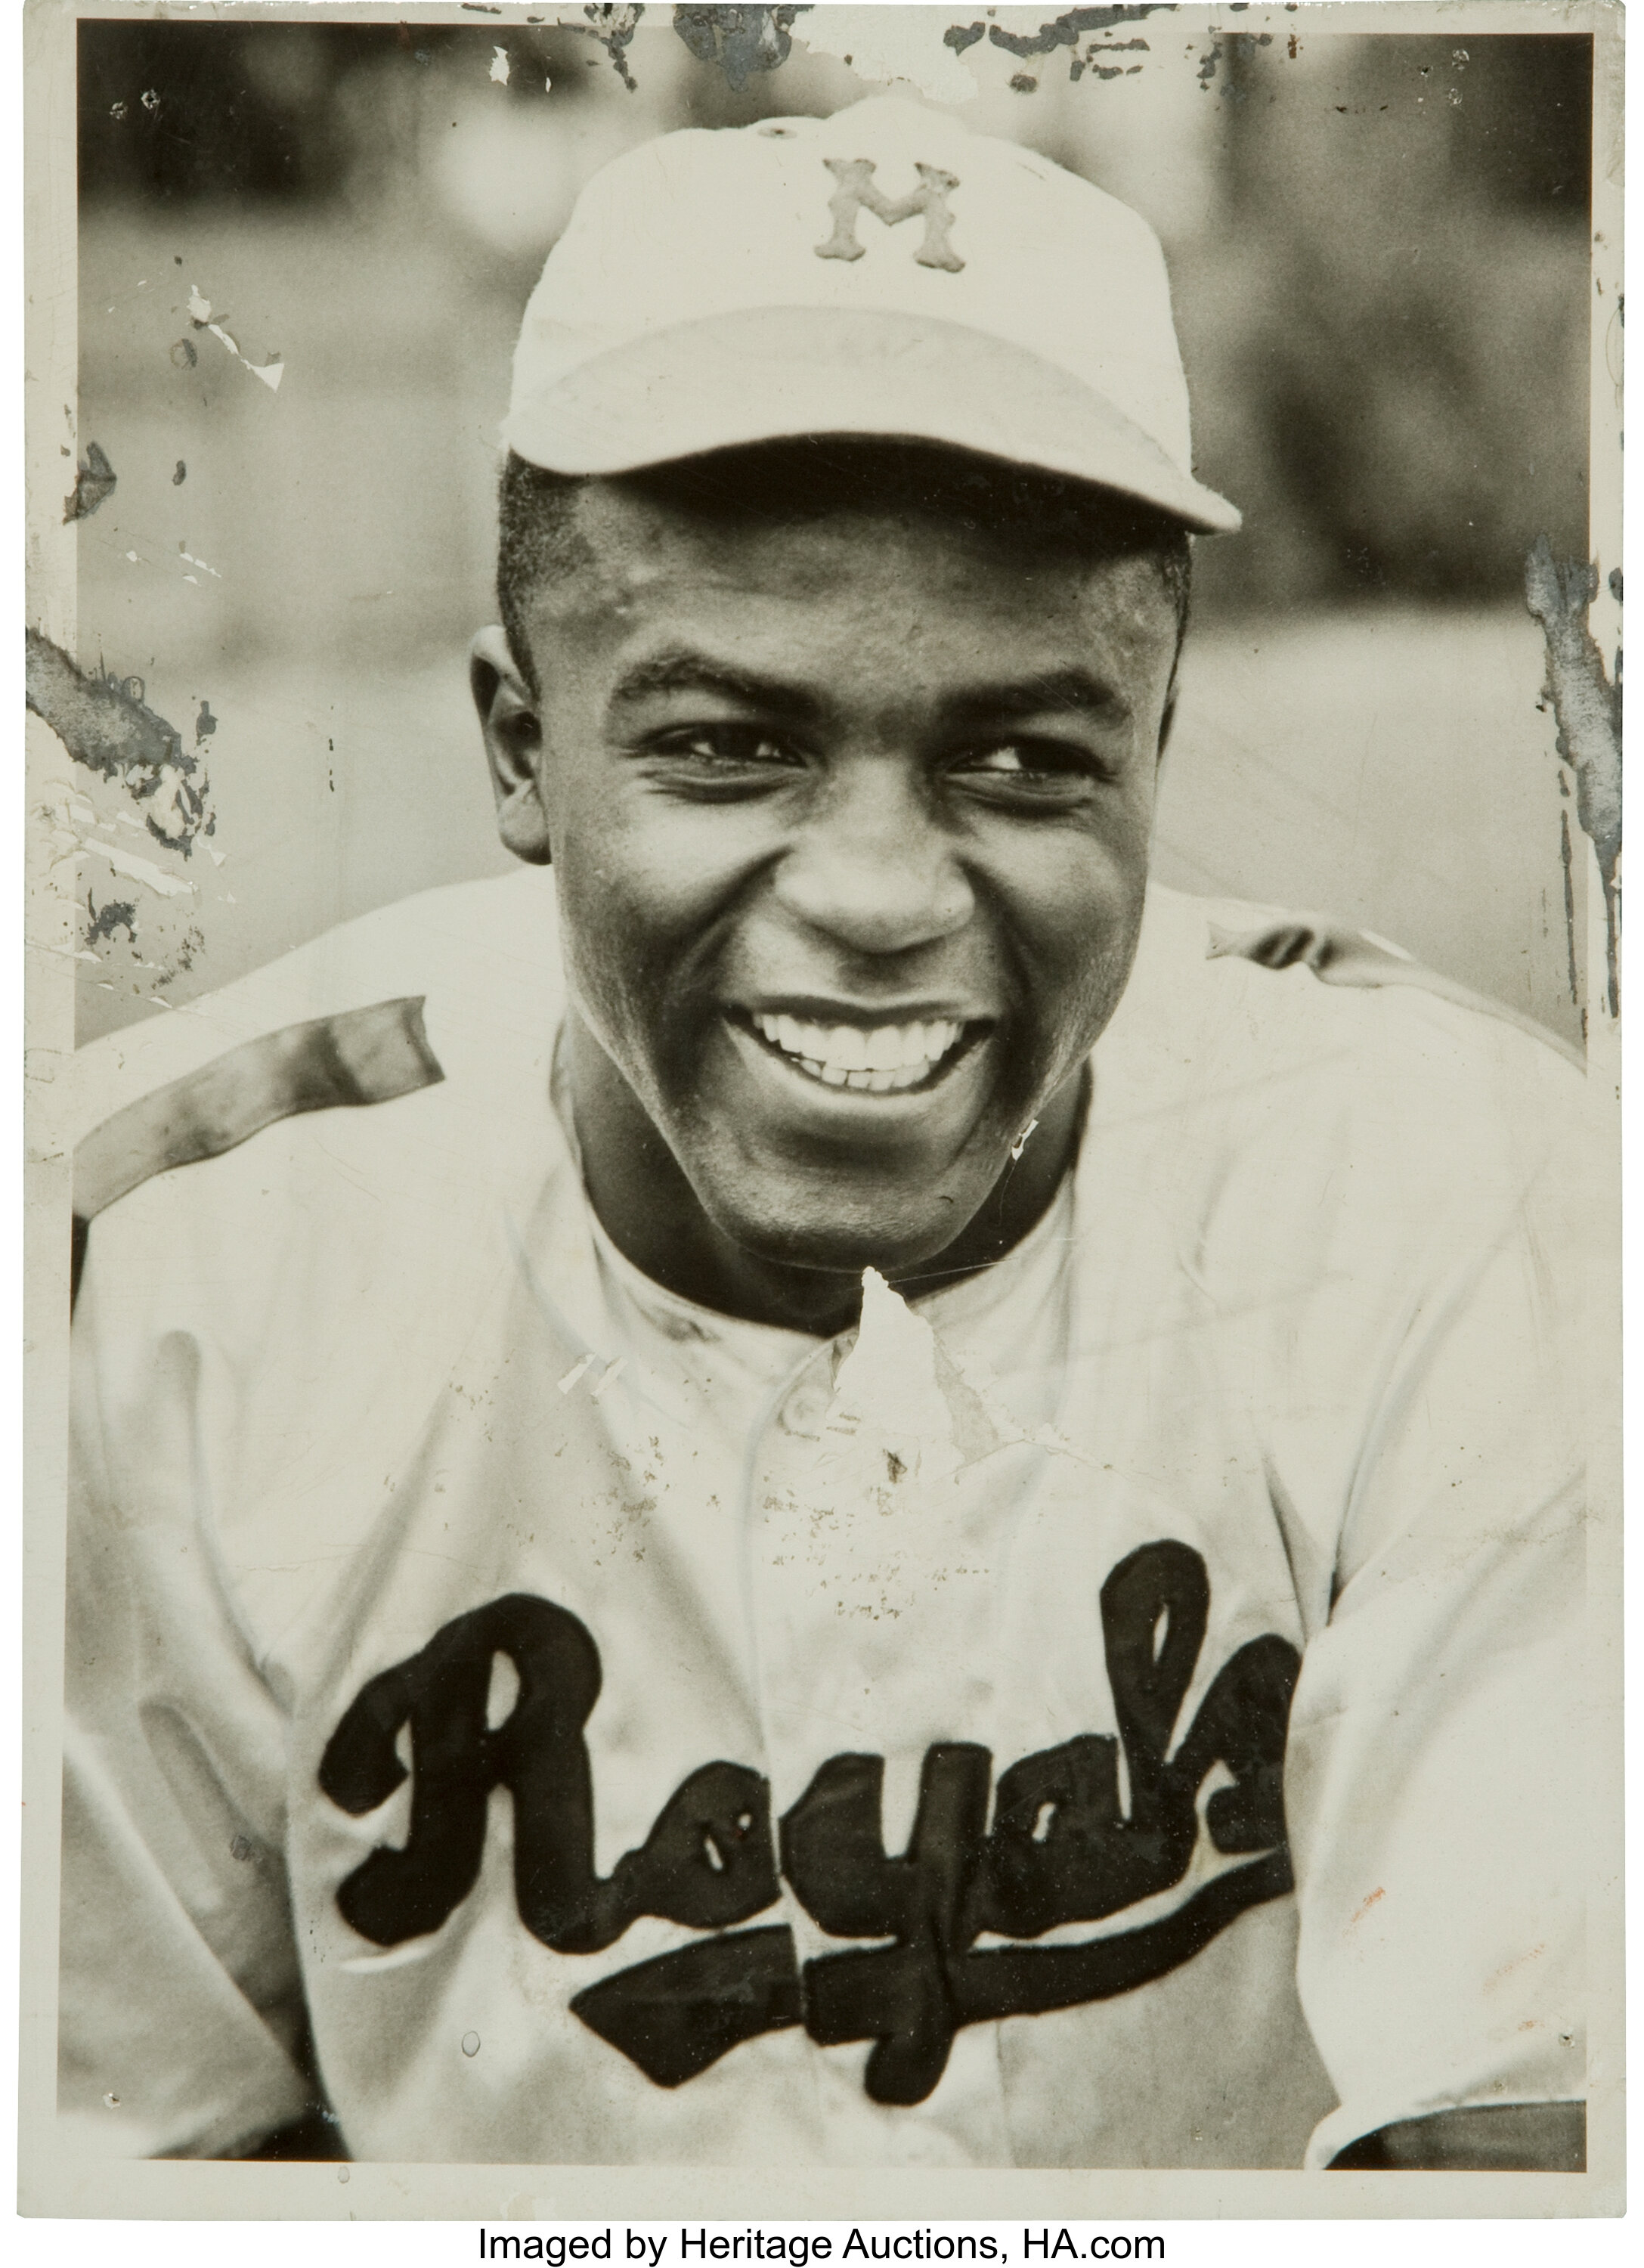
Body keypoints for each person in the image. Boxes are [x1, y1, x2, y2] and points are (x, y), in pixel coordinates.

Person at [60, 96, 1587, 2173]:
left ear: (1152, 744)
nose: (878, 894)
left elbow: (1533, 2152)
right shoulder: (163, 1267)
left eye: (1024, 758)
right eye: (727, 745)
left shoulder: (1455, 1198)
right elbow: (113, 2158)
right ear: (525, 750)